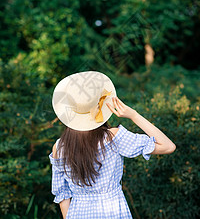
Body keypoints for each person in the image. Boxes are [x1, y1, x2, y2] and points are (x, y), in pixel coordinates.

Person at [49, 71, 176, 219]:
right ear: (100, 105)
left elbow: (62, 193)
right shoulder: (113, 138)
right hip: (112, 211)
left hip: (77, 213)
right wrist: (134, 115)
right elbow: (168, 146)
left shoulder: (59, 147)